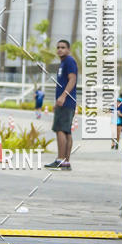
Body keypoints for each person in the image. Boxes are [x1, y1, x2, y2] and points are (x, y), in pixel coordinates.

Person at [45, 40, 78, 171]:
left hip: (67, 101)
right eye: (58, 47)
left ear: (68, 50)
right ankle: (65, 162)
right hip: (64, 102)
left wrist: (63, 96)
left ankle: (60, 159)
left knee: (60, 130)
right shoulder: (63, 63)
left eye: (63, 47)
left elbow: (72, 79)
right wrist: (57, 101)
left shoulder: (69, 61)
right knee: (66, 131)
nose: (60, 49)